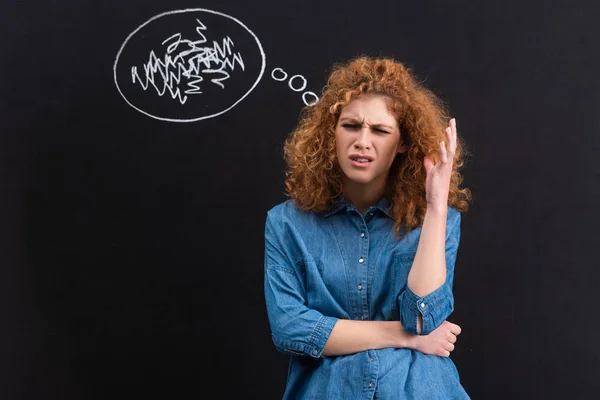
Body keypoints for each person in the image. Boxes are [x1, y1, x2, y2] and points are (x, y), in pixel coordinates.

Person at [263, 56, 472, 399]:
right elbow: (289, 328)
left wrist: (435, 207)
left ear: (403, 142)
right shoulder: (286, 224)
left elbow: (421, 320)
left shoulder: (440, 220)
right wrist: (402, 336)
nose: (362, 141)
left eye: (380, 130)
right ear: (332, 132)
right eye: (350, 125)